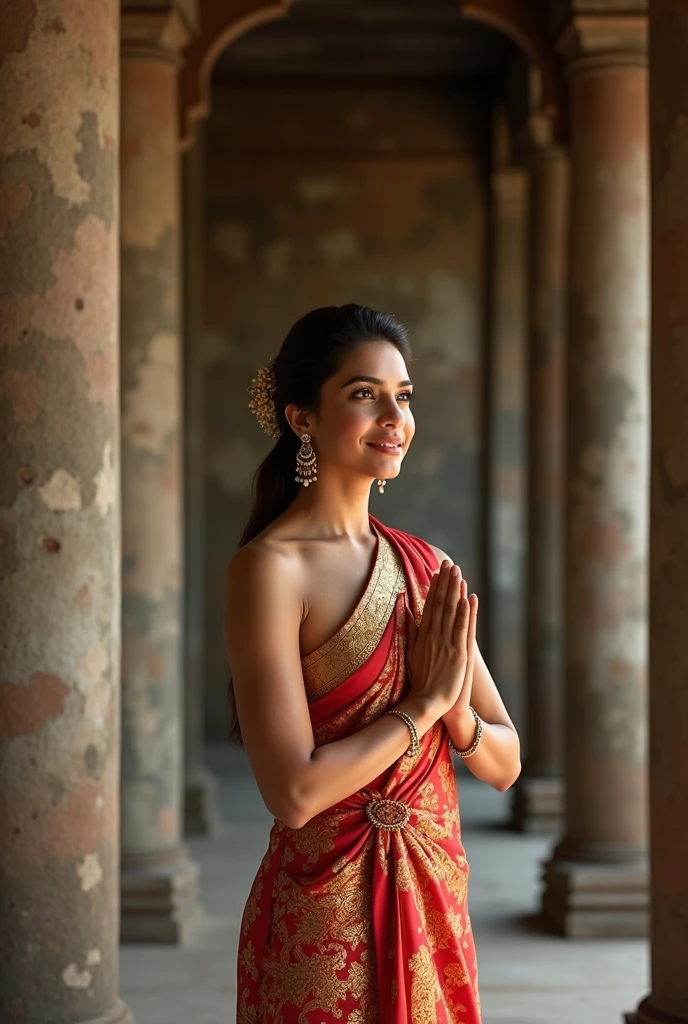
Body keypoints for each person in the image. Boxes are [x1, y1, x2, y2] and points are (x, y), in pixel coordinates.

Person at [223, 304, 521, 1024]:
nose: (395, 416)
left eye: (404, 396)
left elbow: (505, 762)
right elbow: (293, 793)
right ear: (303, 418)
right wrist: (422, 710)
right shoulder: (269, 569)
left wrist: (455, 709)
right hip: (321, 918)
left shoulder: (428, 567)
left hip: (435, 893)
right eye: (364, 394)